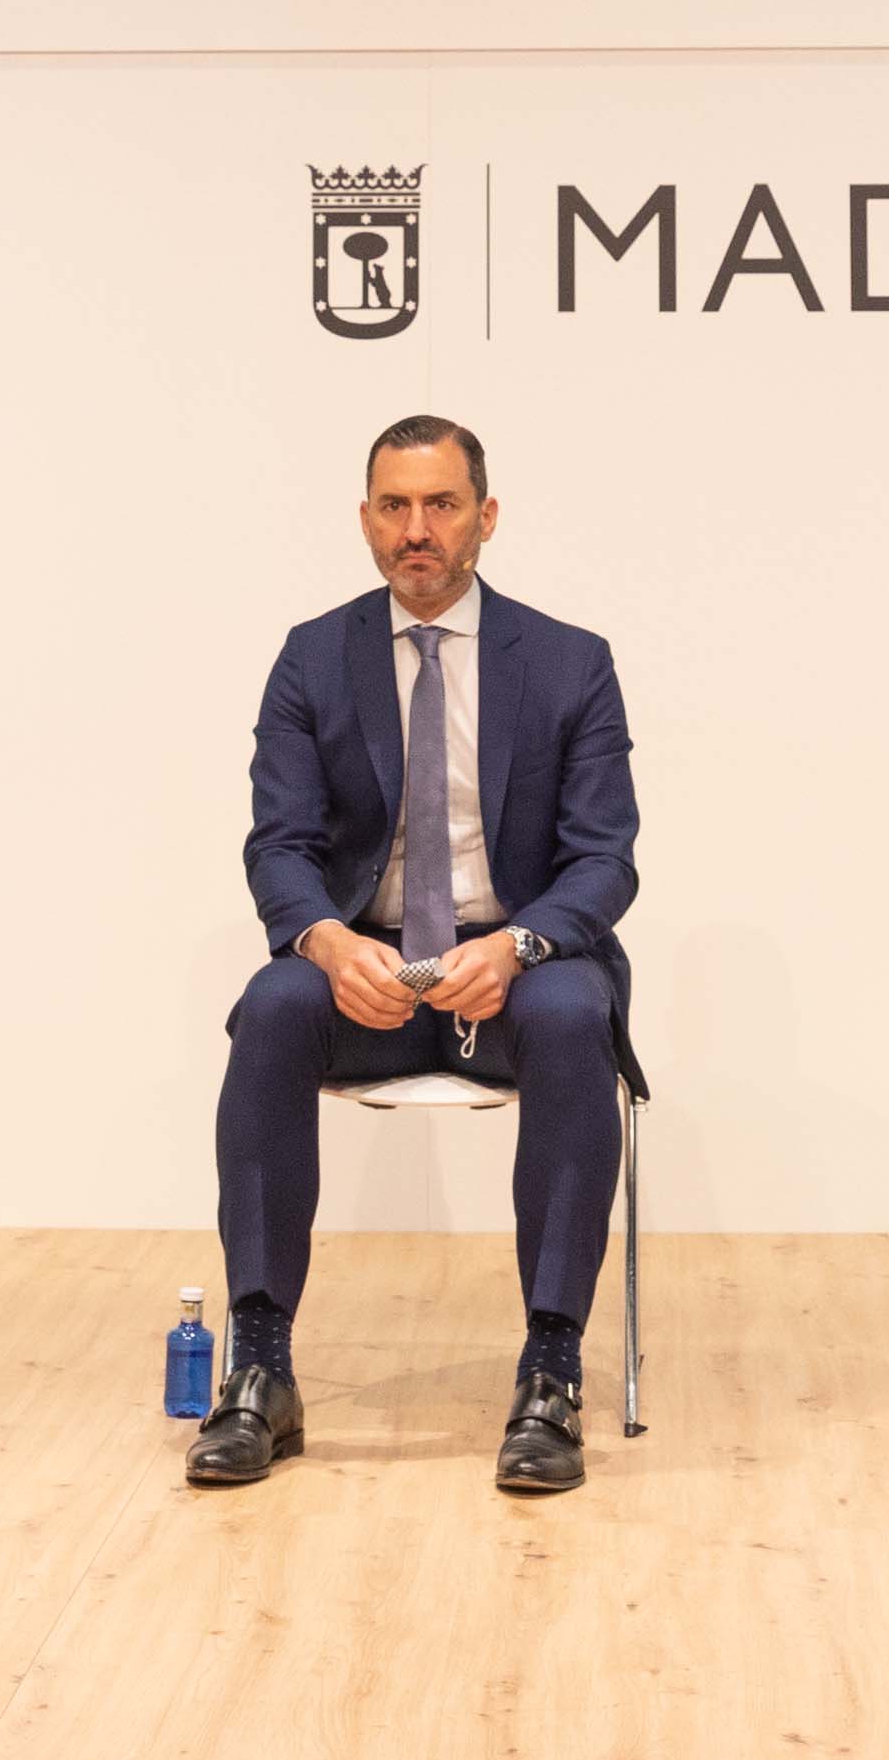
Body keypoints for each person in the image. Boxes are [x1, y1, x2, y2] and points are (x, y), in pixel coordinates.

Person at [192, 416, 639, 1497]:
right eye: (394, 507)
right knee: (271, 1004)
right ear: (364, 520)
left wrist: (521, 944)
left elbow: (604, 858)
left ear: (487, 516)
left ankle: (551, 1370)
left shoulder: (570, 661)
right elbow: (279, 844)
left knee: (573, 1014)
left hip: (519, 965)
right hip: (369, 967)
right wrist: (326, 938)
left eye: (441, 505)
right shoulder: (313, 656)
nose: (417, 530)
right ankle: (261, 1367)